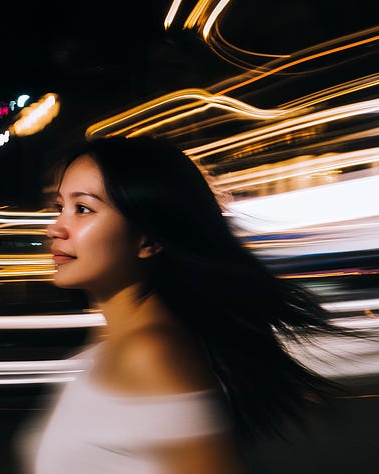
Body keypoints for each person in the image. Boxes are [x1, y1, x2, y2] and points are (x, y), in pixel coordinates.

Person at [33, 134, 345, 474]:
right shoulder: (113, 344)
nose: (55, 228)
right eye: (59, 207)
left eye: (82, 209)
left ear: (148, 239)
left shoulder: (152, 352)